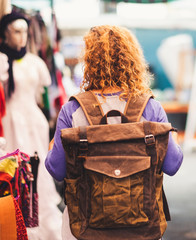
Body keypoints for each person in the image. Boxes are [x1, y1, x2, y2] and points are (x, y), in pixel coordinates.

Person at [45, 25, 183, 239]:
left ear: (89, 61)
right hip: (142, 228)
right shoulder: (150, 107)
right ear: (132, 60)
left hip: (84, 228)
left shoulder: (73, 110)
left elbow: (56, 170)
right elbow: (173, 165)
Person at [0, 11, 63, 239]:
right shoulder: (1, 62)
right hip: (11, 123)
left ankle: (43, 221)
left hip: (34, 123)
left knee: (39, 171)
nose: (22, 36)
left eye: (25, 31)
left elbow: (42, 94)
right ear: (5, 35)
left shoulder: (36, 63)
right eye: (16, 32)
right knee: (16, 170)